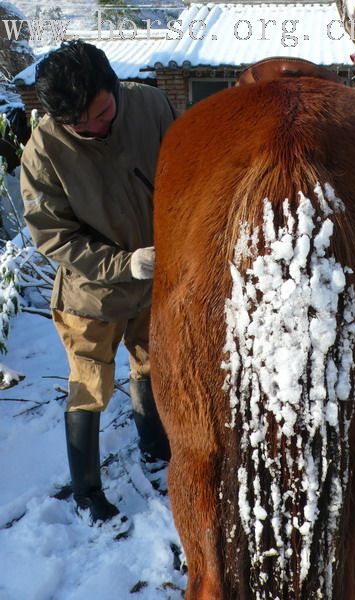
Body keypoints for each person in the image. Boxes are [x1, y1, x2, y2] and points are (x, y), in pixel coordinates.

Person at [20, 40, 177, 523]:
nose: (94, 127)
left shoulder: (150, 106)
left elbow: (187, 172)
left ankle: (155, 448)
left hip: (156, 278)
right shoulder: (43, 151)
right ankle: (87, 490)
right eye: (78, 124)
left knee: (152, 363)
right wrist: (122, 265)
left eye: (102, 112)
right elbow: (55, 237)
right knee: (89, 385)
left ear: (114, 87)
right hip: (92, 293)